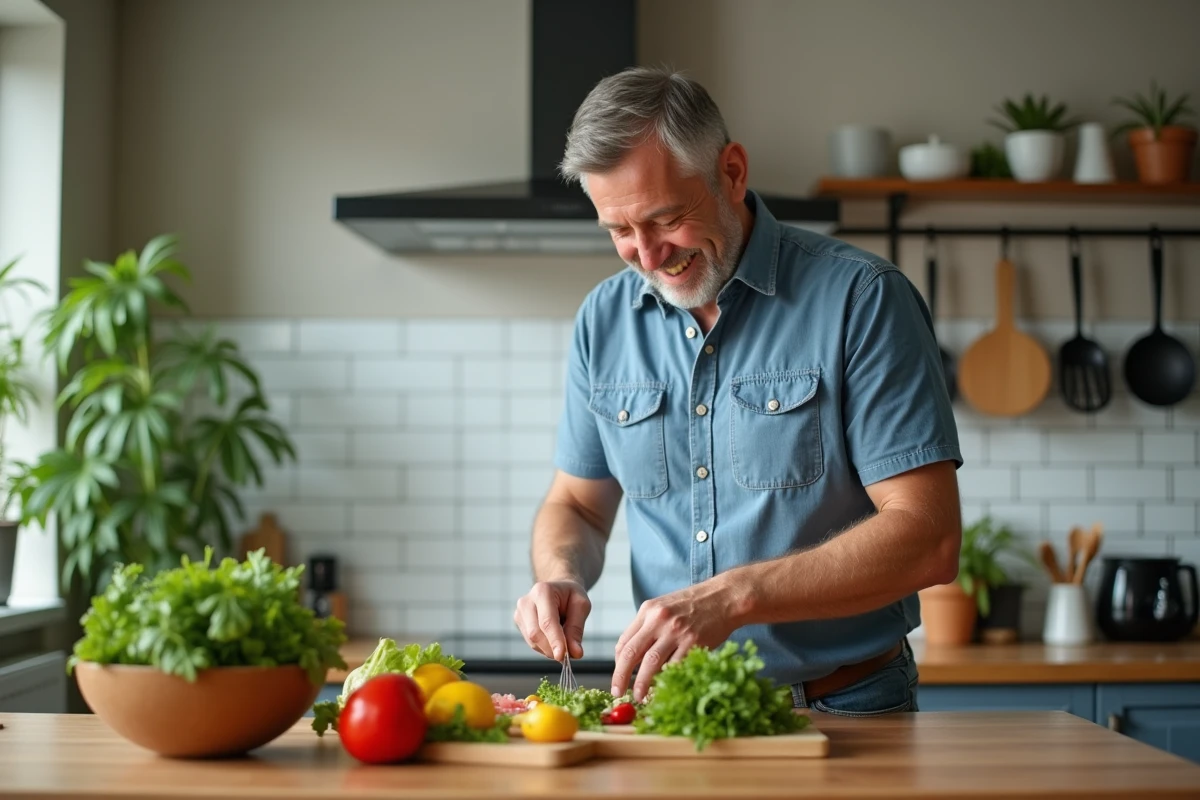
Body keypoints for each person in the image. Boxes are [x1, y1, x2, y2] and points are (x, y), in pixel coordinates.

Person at [512, 66, 962, 716]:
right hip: (675, 713)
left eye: (666, 219)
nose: (646, 254)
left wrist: (733, 598)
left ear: (732, 171)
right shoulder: (602, 321)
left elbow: (929, 536)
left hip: (845, 707)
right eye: (617, 230)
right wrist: (559, 574)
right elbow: (578, 508)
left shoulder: (862, 300)